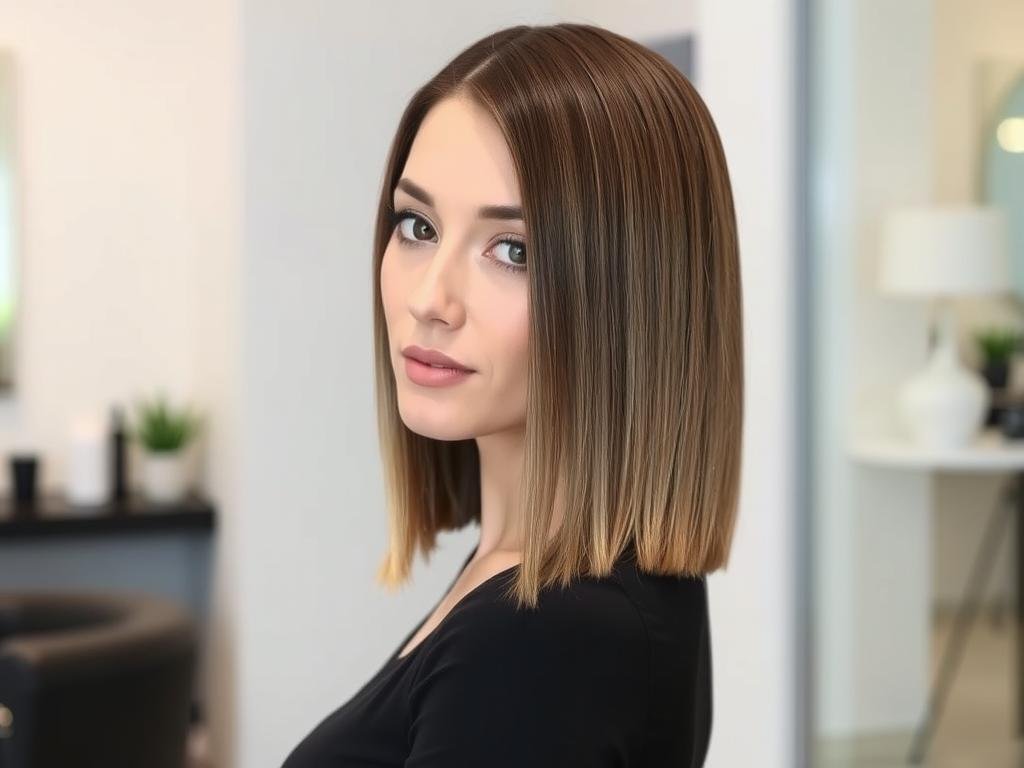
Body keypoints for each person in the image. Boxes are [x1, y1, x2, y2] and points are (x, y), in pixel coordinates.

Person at [282, 20, 742, 768]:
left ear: (632, 299)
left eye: (513, 250)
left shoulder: (535, 640)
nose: (431, 298)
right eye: (417, 225)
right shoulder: (584, 582)